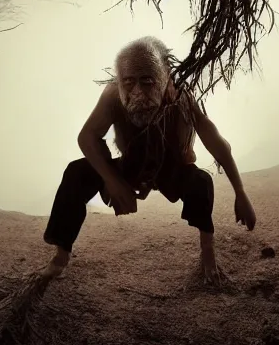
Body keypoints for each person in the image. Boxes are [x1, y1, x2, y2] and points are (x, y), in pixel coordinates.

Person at [41, 36, 256, 285]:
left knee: (200, 182)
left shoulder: (180, 96)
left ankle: (208, 251)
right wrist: (113, 181)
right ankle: (61, 255)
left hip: (172, 168)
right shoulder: (113, 95)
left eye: (148, 81)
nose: (138, 93)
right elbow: (87, 137)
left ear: (165, 78)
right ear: (120, 82)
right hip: (132, 165)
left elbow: (216, 142)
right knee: (76, 172)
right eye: (129, 83)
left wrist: (241, 192)